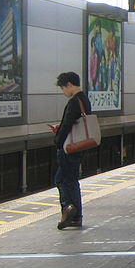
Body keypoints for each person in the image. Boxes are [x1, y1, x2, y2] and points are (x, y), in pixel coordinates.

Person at [51, 71, 92, 230]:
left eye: (63, 88)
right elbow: (75, 123)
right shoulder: (84, 99)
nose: (63, 92)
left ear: (69, 84)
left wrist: (58, 141)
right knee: (70, 180)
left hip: (69, 148)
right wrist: (60, 127)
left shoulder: (74, 101)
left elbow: (68, 124)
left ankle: (69, 209)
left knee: (62, 180)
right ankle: (75, 216)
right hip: (78, 146)